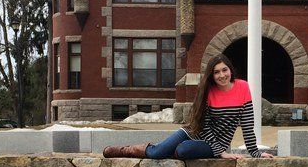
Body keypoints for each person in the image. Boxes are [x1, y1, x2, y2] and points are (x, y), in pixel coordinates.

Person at [103, 54, 273, 159]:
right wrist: (222, 153)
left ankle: (169, 150)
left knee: (183, 150)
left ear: (230, 70)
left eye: (224, 70)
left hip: (212, 143)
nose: (222, 75)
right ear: (211, 75)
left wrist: (255, 152)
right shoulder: (207, 91)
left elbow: (247, 125)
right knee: (157, 153)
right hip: (192, 132)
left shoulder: (243, 87)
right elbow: (205, 126)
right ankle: (125, 150)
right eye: (216, 72)